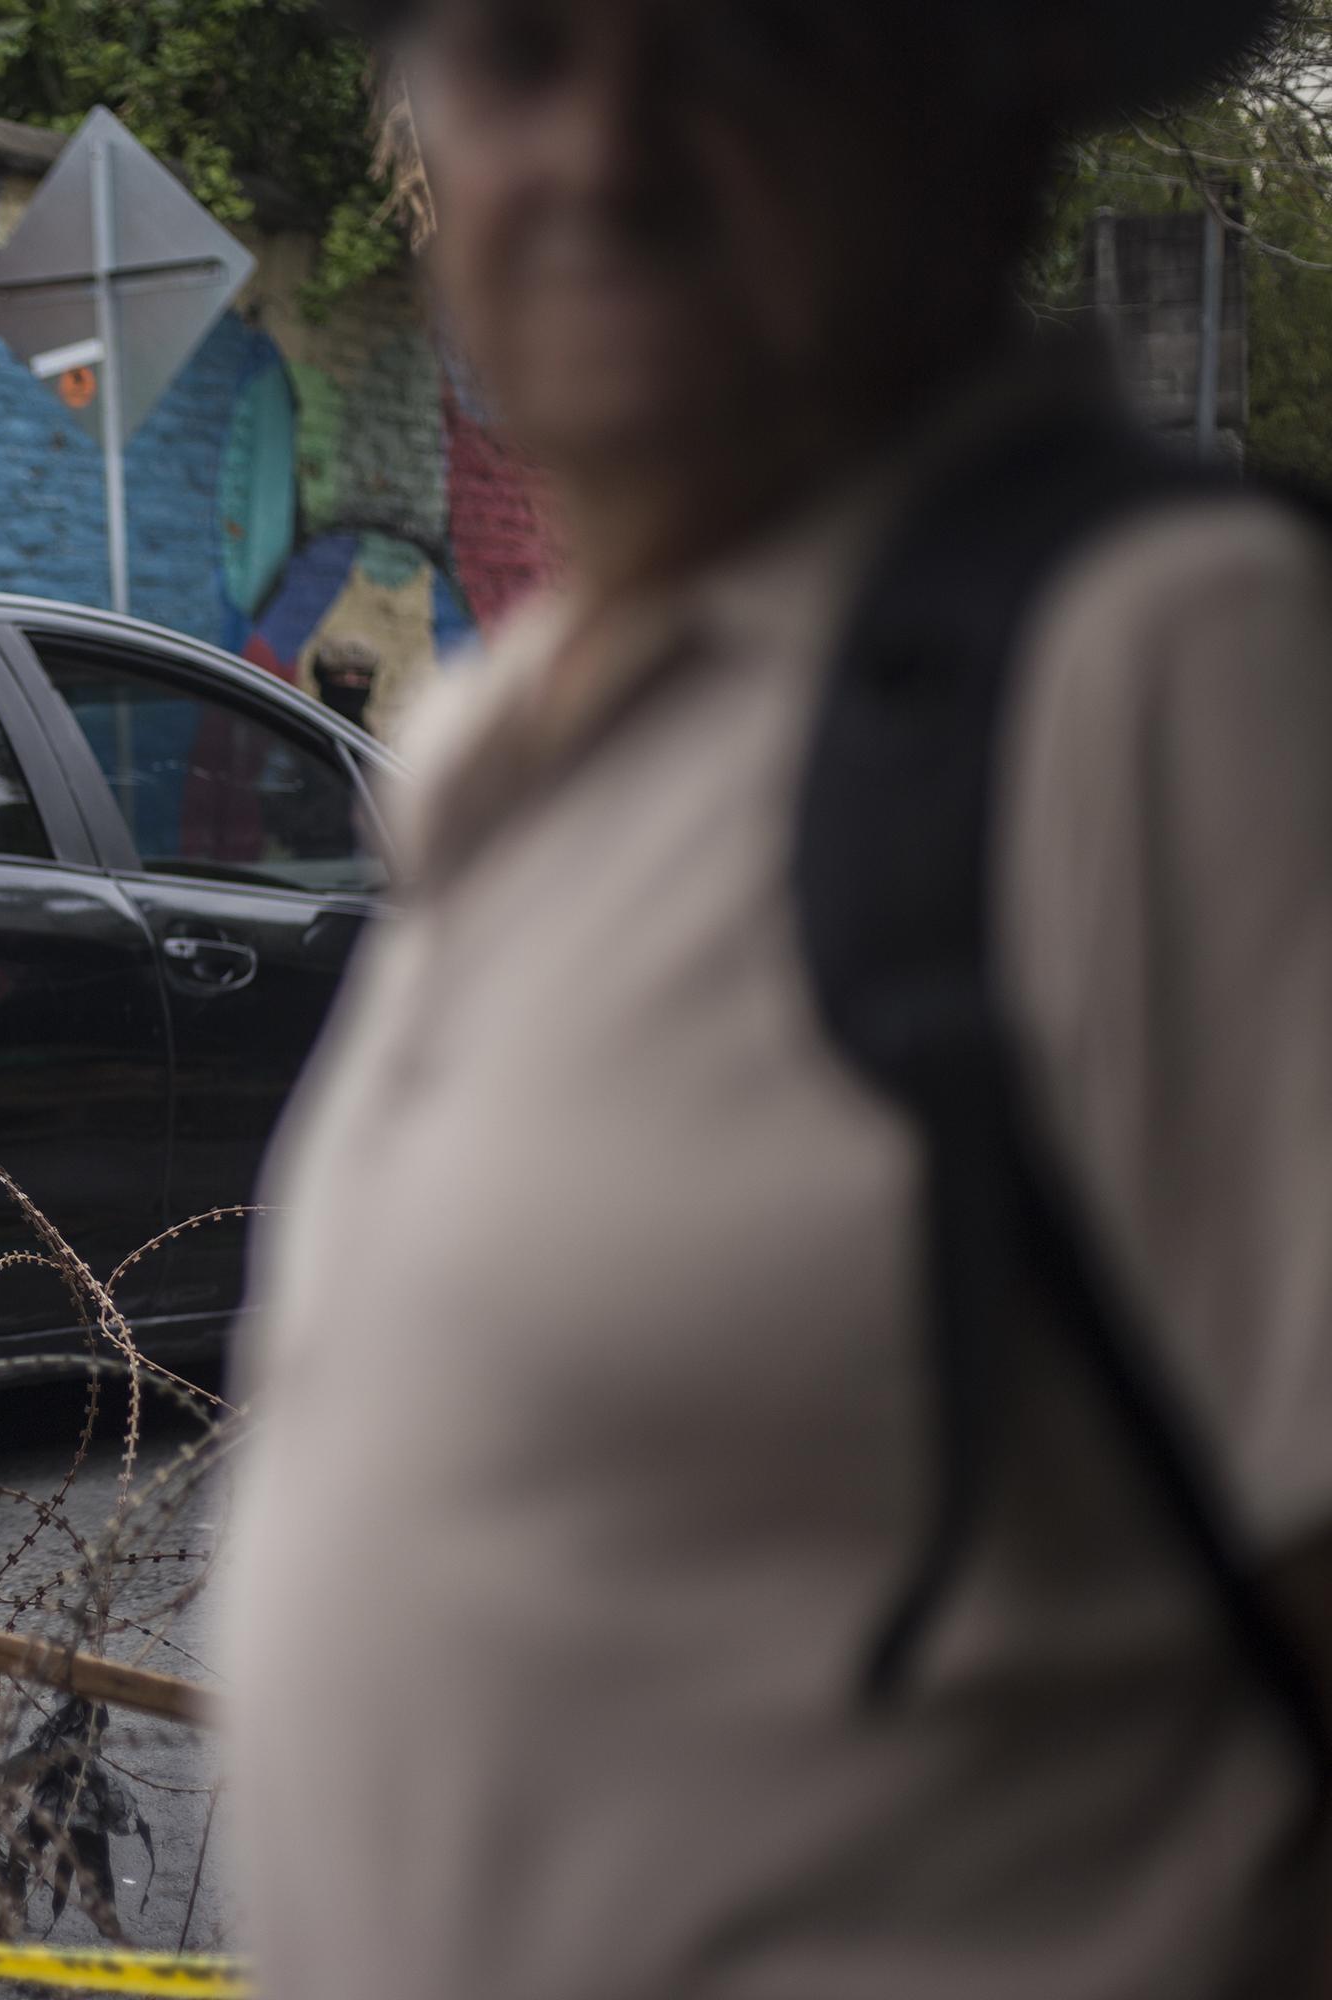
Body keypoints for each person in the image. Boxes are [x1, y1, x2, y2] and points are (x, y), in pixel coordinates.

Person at [222, 0, 1332, 1994]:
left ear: (969, 114)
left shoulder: (1168, 671)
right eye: (525, 51)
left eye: (743, 45)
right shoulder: (516, 743)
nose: (607, 152)